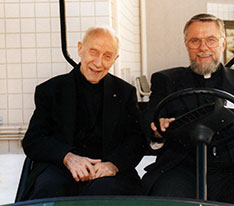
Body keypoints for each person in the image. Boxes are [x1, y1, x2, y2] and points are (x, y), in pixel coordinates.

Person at [142, 13, 234, 205]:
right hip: (182, 171)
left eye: (211, 40)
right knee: (165, 197)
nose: (203, 48)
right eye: (195, 40)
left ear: (223, 43)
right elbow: (150, 120)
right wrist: (157, 128)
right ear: (186, 44)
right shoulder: (167, 81)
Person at [21, 25, 145, 200]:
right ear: (80, 49)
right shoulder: (50, 90)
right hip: (60, 168)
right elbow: (33, 140)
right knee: (50, 190)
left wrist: (113, 164)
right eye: (93, 52)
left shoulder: (125, 93)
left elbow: (137, 138)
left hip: (107, 173)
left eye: (107, 56)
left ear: (115, 59)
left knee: (103, 194)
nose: (98, 63)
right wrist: (67, 157)